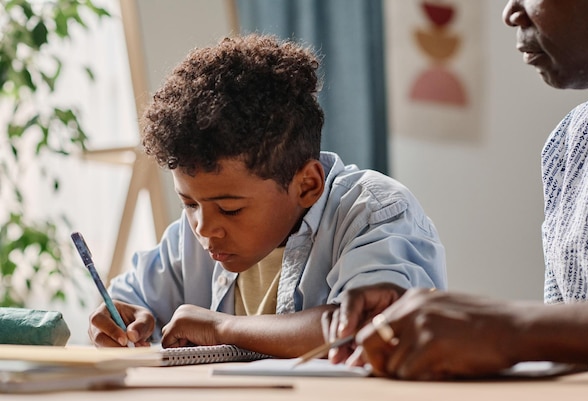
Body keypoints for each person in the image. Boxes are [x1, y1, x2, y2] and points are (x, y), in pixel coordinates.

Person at [87, 34, 447, 357]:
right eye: (189, 203)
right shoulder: (193, 231)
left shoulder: (374, 213)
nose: (205, 228)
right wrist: (117, 319)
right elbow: (127, 302)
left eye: (231, 209)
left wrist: (221, 328)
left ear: (307, 185)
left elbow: (368, 329)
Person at [325, 0, 588, 379]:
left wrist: (511, 328)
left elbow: (542, 334)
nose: (510, 12)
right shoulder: (569, 142)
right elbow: (573, 357)